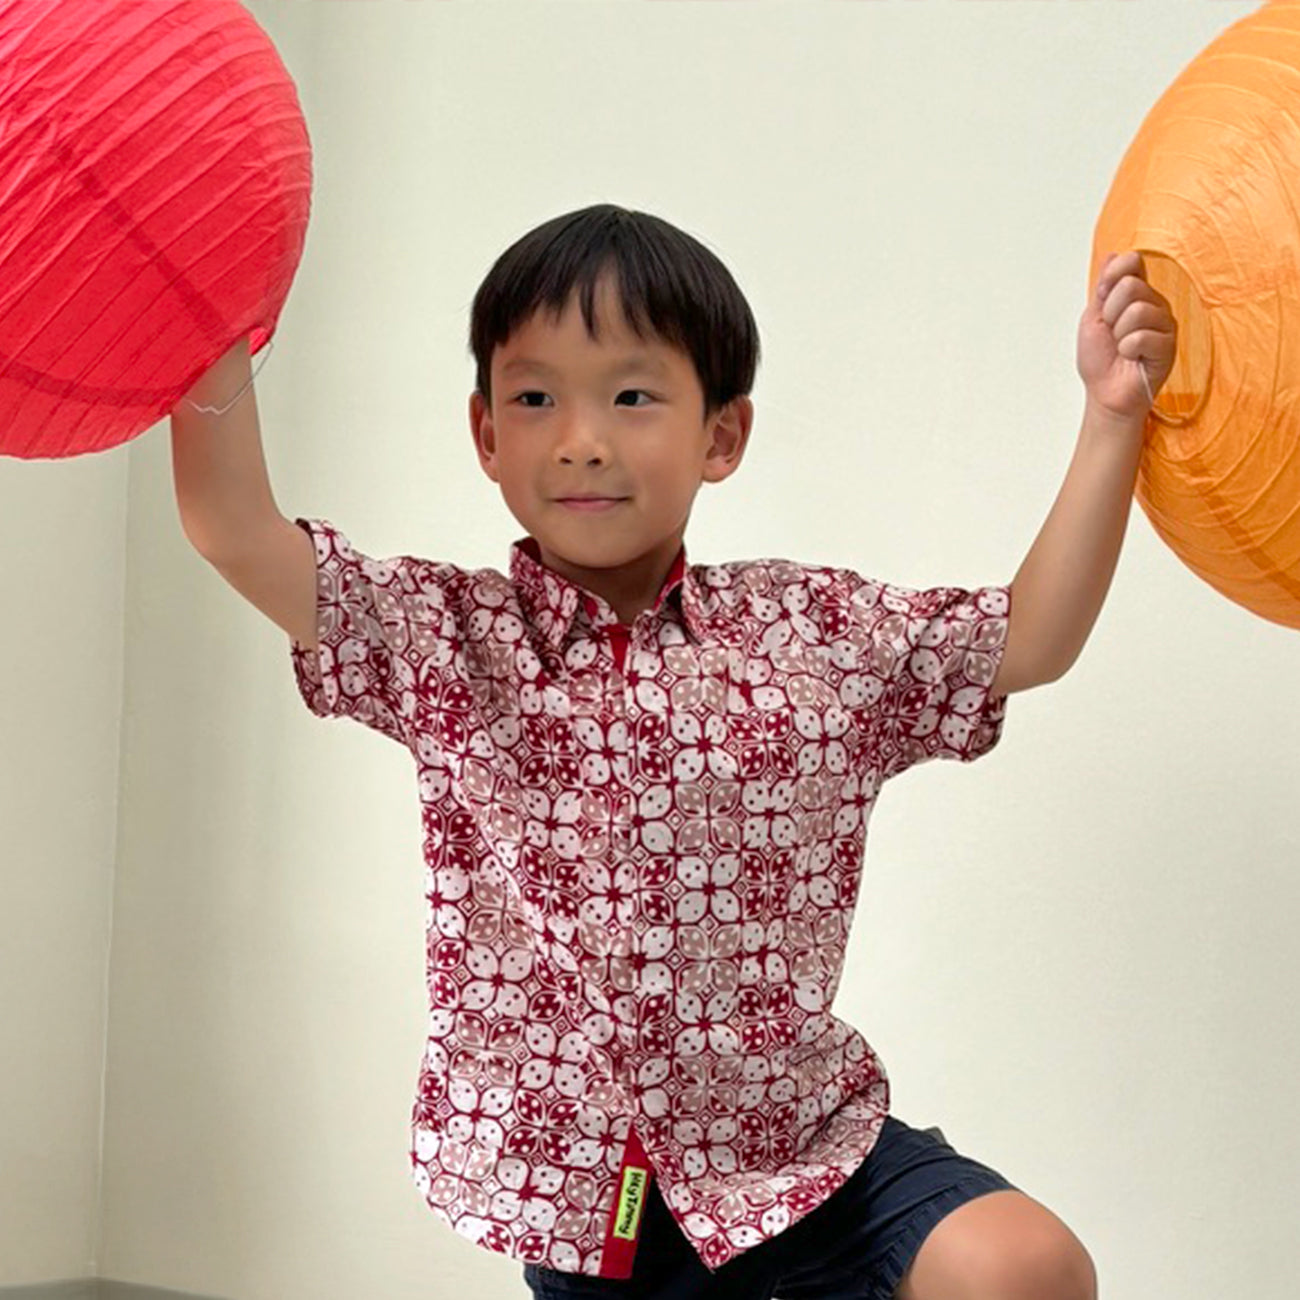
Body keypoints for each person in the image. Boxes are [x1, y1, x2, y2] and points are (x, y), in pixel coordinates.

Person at [169, 204, 1175, 1300]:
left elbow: (1026, 637)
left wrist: (1111, 413)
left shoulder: (811, 637)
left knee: (1022, 1265)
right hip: (600, 1204)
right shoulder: (442, 640)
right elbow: (232, 524)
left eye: (633, 396)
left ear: (722, 435)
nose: (582, 437)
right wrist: (198, 321)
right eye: (536, 397)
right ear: (486, 436)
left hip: (805, 1155)